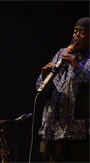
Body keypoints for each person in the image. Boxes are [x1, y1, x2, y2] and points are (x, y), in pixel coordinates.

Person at [36, 17, 90, 162]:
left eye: (82, 32)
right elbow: (40, 89)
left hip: (80, 131)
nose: (77, 35)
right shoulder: (62, 53)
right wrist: (44, 75)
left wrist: (76, 66)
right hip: (56, 128)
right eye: (75, 32)